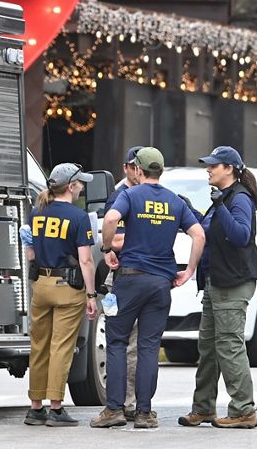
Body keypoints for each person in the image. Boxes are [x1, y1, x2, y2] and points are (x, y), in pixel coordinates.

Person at [92, 147, 205, 430]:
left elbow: (109, 220)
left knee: (117, 341)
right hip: (160, 283)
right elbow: (199, 233)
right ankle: (144, 412)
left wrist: (107, 249)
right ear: (161, 171)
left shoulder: (130, 195)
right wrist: (189, 269)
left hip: (130, 279)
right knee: (149, 347)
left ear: (138, 171)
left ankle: (114, 409)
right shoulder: (175, 201)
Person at [178, 145, 257, 430]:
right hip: (216, 283)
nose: (208, 168)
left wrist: (219, 206)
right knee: (208, 348)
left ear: (229, 169)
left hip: (233, 283)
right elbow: (208, 229)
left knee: (229, 346)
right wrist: (190, 210)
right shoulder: (226, 197)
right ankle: (203, 408)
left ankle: (244, 410)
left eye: (214, 165)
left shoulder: (240, 198)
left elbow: (241, 235)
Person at [23, 163, 99, 426]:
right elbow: (86, 260)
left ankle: (35, 407)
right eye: (79, 184)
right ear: (71, 186)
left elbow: (31, 252)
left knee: (39, 345)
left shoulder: (37, 213)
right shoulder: (78, 217)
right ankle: (56, 408)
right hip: (67, 288)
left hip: (41, 286)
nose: (81, 188)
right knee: (61, 347)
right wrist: (91, 295)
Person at [102, 145, 145, 419]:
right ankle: (125, 403)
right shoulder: (120, 197)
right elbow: (114, 239)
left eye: (142, 166)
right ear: (126, 168)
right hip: (121, 276)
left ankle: (132, 403)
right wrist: (148, 239)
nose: (138, 171)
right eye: (134, 166)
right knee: (123, 343)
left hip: (144, 275)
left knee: (140, 345)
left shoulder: (152, 197)